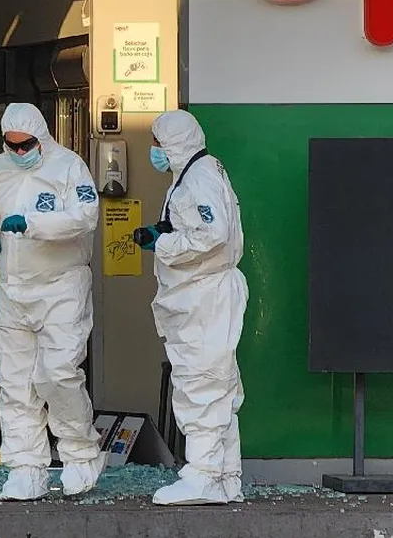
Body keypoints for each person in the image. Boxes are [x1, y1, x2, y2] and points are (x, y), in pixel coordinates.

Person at [0, 103, 105, 501]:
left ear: (41, 138)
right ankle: (26, 466)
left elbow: (85, 217)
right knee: (15, 382)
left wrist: (32, 224)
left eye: (26, 145)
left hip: (62, 287)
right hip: (12, 289)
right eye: (11, 145)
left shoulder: (69, 167)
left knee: (58, 373)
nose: (19, 152)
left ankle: (80, 454)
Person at [132, 110, 248, 506]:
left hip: (204, 297)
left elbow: (211, 235)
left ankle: (201, 476)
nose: (154, 151)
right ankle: (225, 476)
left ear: (174, 143)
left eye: (157, 143)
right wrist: (165, 232)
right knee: (219, 384)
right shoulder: (199, 172)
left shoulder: (197, 179)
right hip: (204, 295)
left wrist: (161, 244)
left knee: (201, 384)